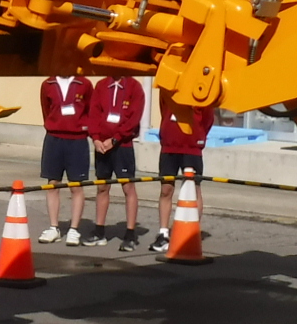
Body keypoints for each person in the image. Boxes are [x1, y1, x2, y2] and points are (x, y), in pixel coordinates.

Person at [86, 73, 146, 251]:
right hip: (102, 146)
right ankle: (99, 231)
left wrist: (115, 139)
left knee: (128, 186)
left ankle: (130, 234)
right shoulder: (102, 85)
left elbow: (134, 118)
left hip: (123, 145)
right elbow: (94, 113)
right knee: (102, 186)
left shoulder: (135, 87)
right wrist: (96, 138)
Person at [153, 94, 215, 254]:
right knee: (166, 189)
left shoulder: (200, 89)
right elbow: (163, 107)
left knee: (194, 190)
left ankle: (191, 231)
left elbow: (207, 118)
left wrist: (198, 135)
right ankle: (163, 233)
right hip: (169, 146)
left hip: (191, 148)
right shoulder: (169, 88)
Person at [39, 68, 92, 245]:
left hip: (77, 140)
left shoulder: (84, 83)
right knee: (52, 184)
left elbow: (90, 111)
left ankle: (74, 230)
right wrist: (53, 125)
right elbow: (46, 110)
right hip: (54, 139)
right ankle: (54, 227)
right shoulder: (47, 84)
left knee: (76, 186)